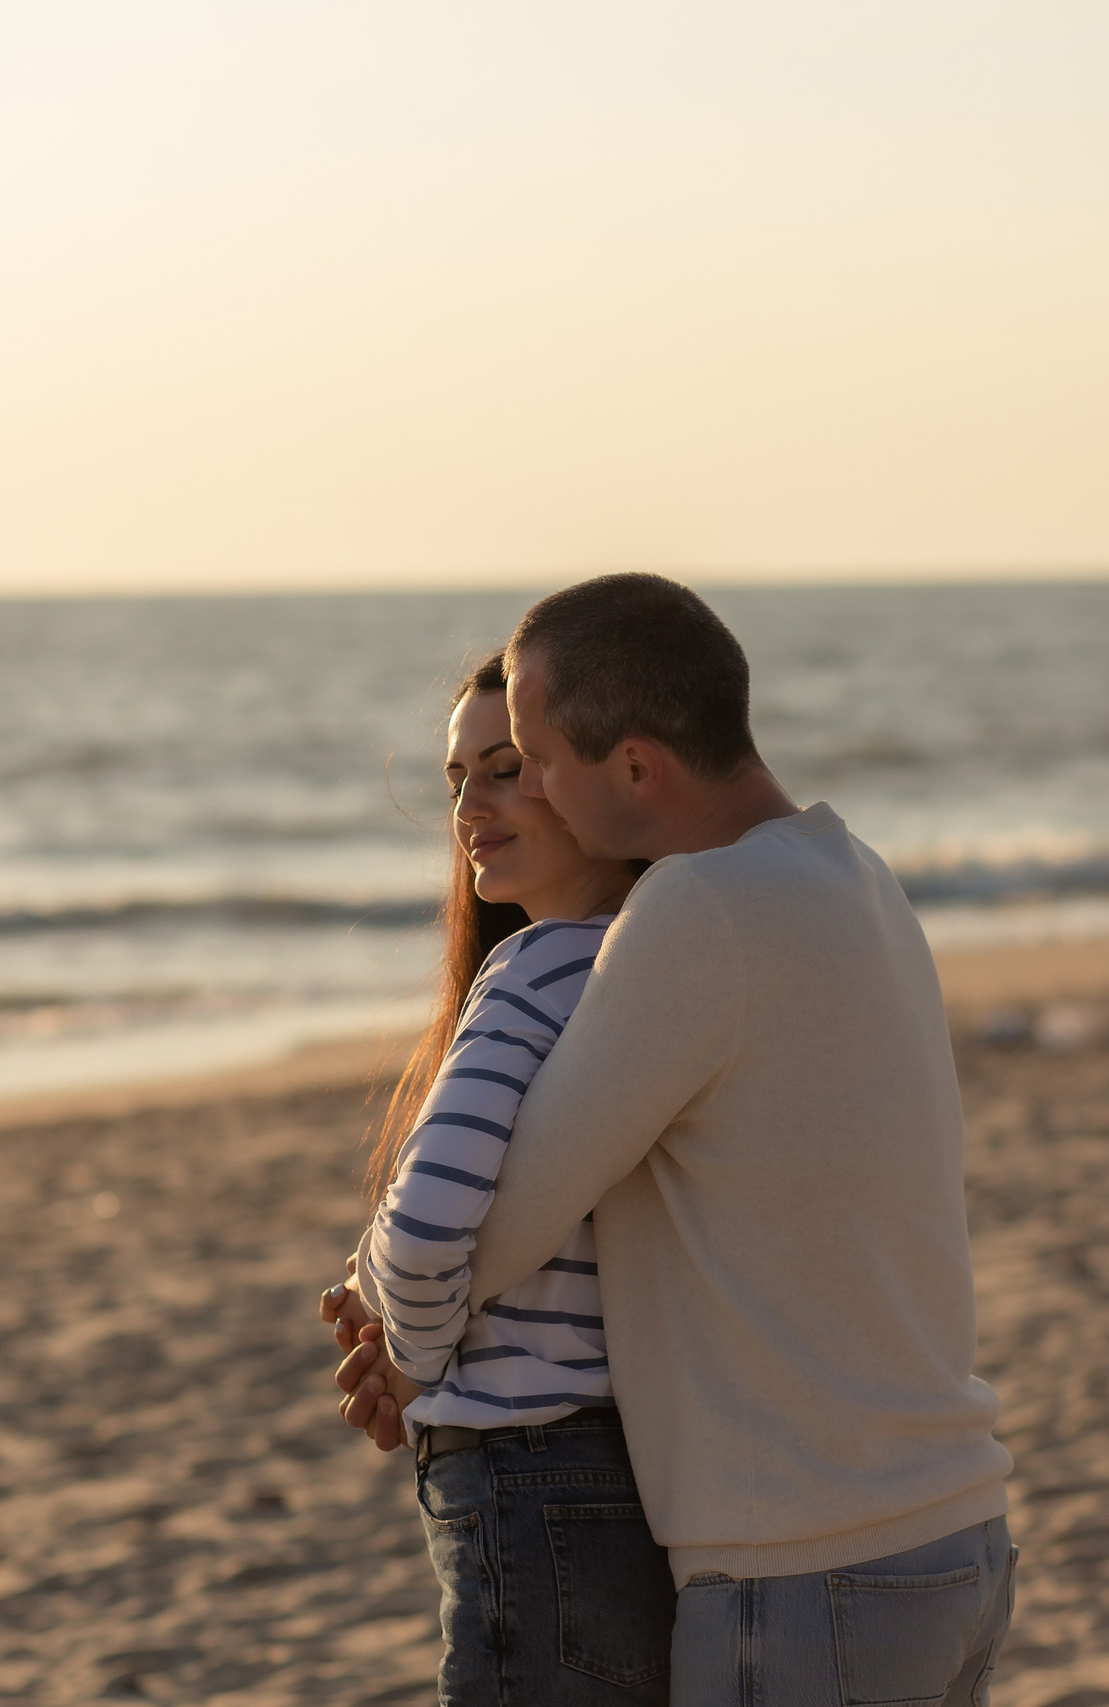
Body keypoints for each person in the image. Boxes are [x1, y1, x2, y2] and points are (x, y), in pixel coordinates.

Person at [340, 574, 1015, 1705]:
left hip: (810, 1562)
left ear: (636, 767)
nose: (529, 791)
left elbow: (497, 1221)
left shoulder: (695, 912)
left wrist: (390, 1342)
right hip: (955, 1530)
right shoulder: (856, 872)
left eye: (537, 761)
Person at [322, 653, 676, 1704]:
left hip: (530, 1479)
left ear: (593, 775)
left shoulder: (535, 971)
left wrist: (411, 1358)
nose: (469, 809)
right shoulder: (653, 967)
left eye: (507, 769)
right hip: (630, 1474)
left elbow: (431, 1225)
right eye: (456, 780)